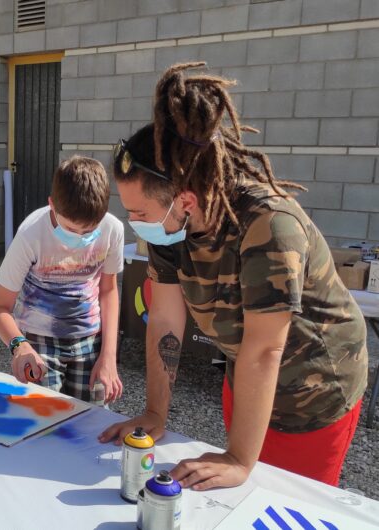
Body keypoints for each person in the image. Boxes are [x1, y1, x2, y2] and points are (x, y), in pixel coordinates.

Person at [100, 62, 368, 490]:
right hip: (247, 374)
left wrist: (240, 458)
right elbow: (166, 321)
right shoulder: (172, 229)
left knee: (289, 501)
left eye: (138, 213)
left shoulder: (268, 225)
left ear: (185, 201)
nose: (133, 223)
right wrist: (155, 414)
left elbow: (266, 349)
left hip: (313, 391)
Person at [0, 156, 124, 403]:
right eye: (72, 229)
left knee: (90, 422)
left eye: (90, 230)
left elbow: (108, 291)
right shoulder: (31, 234)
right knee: (42, 418)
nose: (81, 237)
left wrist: (108, 355)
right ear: (52, 205)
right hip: (39, 341)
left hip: (90, 339)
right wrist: (20, 346)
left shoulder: (112, 229)